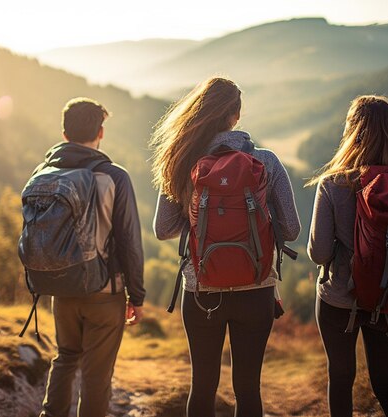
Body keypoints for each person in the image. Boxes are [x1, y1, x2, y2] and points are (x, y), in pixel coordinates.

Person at [150, 77, 300, 417]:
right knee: (248, 388)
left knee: (202, 385)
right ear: (236, 116)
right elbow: (291, 229)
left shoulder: (181, 160)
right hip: (256, 287)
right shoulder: (267, 161)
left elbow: (162, 230)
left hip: (202, 289)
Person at [306, 95, 388, 417]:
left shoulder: (332, 184)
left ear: (351, 131)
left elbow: (319, 252)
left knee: (340, 379)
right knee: (386, 385)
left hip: (341, 299)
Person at [38, 97, 145, 417]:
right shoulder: (114, 176)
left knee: (65, 357)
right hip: (104, 292)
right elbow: (129, 241)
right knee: (97, 377)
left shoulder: (45, 173)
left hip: (61, 287)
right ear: (101, 132)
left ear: (64, 133)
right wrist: (136, 296)